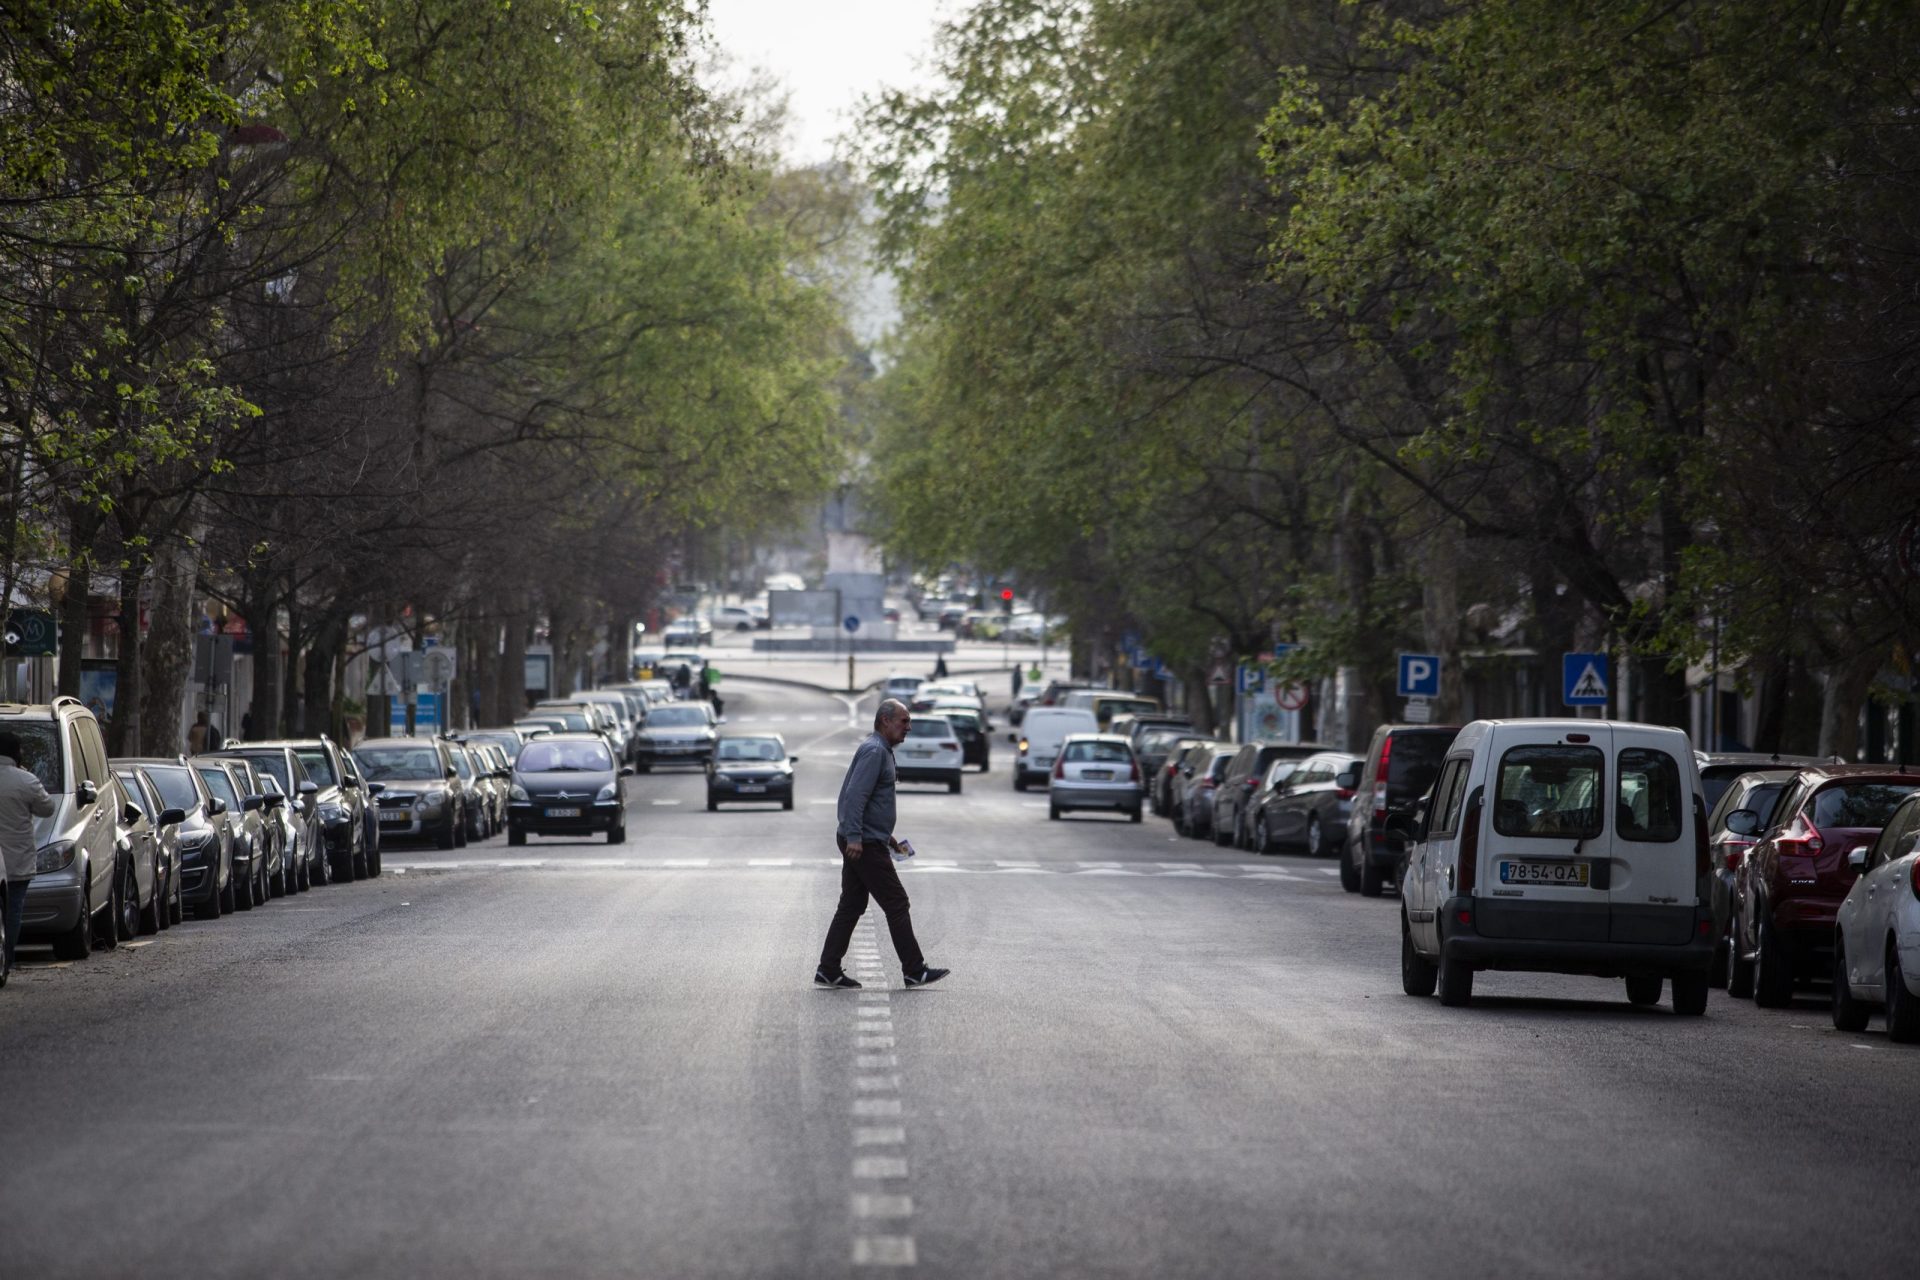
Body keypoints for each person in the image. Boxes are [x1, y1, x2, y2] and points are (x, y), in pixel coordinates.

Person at [816, 699, 949, 990]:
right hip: (862, 842)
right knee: (897, 902)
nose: (909, 727)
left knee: (851, 904)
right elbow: (855, 796)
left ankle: (828, 968)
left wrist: (886, 834)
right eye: (904, 721)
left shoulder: (881, 750)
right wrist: (854, 836)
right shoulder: (875, 751)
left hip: (869, 837)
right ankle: (914, 970)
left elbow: (871, 798)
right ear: (885, 721)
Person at [0, 730, 57, 984]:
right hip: (16, 861)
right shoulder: (26, 780)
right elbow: (47, 808)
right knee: (12, 912)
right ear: (16, 753)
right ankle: (6, 960)